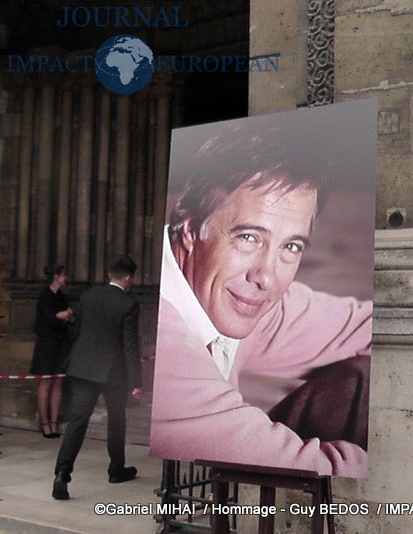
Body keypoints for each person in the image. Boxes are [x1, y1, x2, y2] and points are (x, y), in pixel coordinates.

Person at [150, 121, 372, 478]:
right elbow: (313, 471)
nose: (266, 278)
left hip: (216, 487)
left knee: (367, 377)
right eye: (248, 238)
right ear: (190, 230)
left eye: (291, 246)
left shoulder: (233, 292)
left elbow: (371, 326)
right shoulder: (160, 337)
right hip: (191, 501)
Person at [52, 256, 143, 500]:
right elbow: (130, 346)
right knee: (116, 419)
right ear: (128, 278)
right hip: (113, 370)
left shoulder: (89, 296)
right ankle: (116, 470)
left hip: (83, 366)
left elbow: (77, 328)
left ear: (109, 275)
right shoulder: (128, 304)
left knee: (78, 420)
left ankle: (62, 472)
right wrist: (137, 381)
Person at [30, 265, 73, 438]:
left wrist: (64, 316)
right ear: (56, 276)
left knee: (58, 383)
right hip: (47, 343)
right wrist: (62, 316)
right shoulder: (44, 296)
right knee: (46, 382)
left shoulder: (62, 296)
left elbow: (70, 318)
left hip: (61, 342)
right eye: (64, 275)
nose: (66, 278)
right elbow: (51, 319)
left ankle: (54, 422)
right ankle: (44, 422)